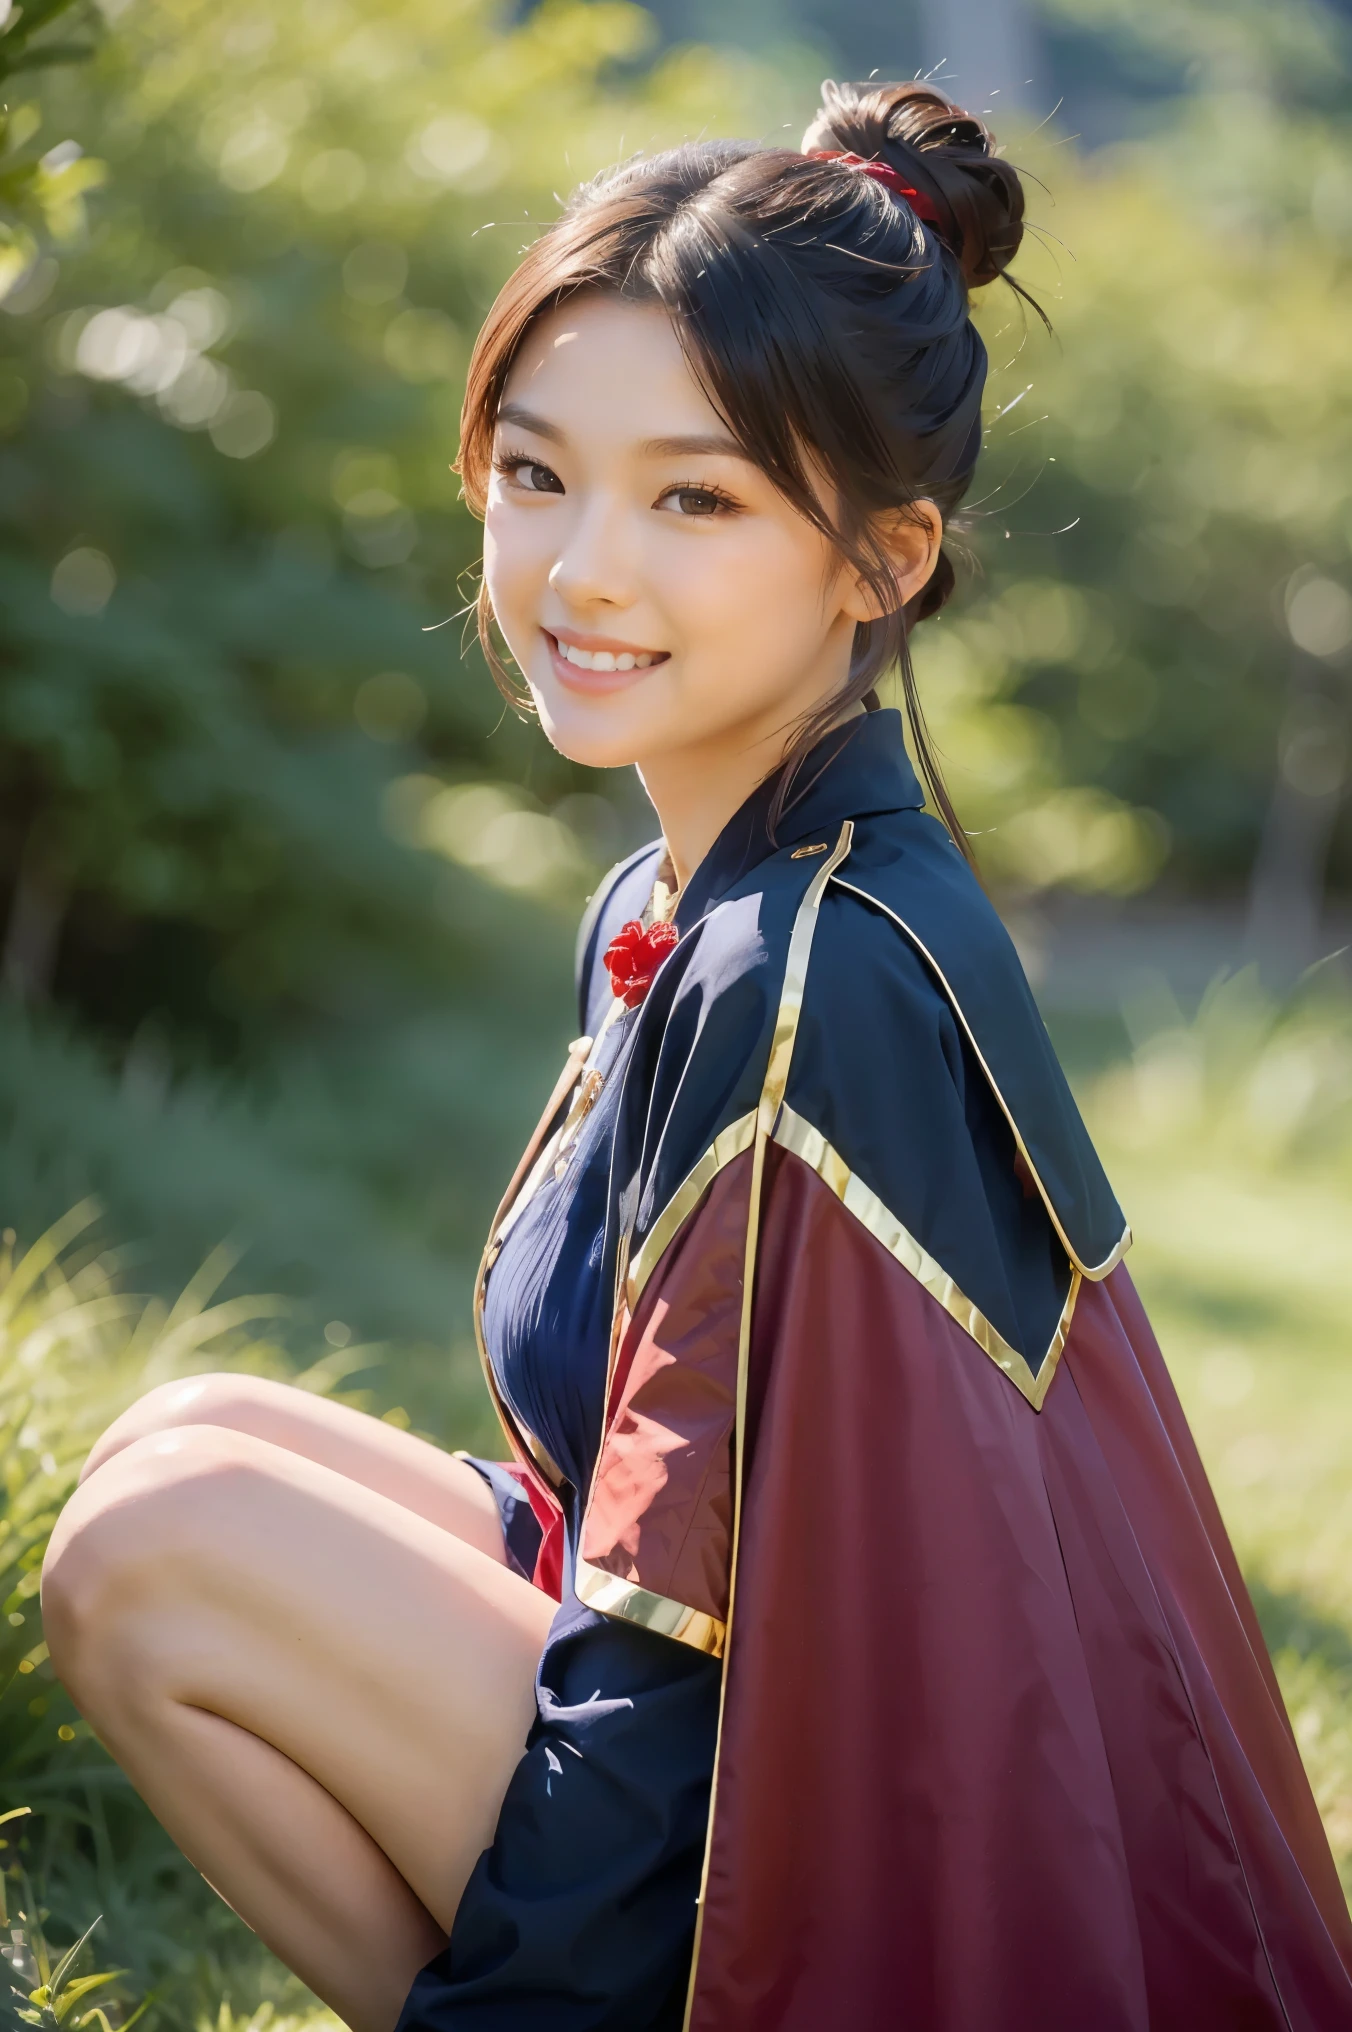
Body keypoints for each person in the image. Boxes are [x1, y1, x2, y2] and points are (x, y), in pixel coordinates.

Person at [40, 77, 1352, 2032]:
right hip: (749, 1746)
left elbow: (672, 1659)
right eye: (534, 472)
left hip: (799, 1876)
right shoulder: (723, 888)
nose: (579, 569)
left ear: (880, 561)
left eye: (695, 497)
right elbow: (635, 1521)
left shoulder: (812, 970)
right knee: (187, 1437)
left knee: (152, 1552)